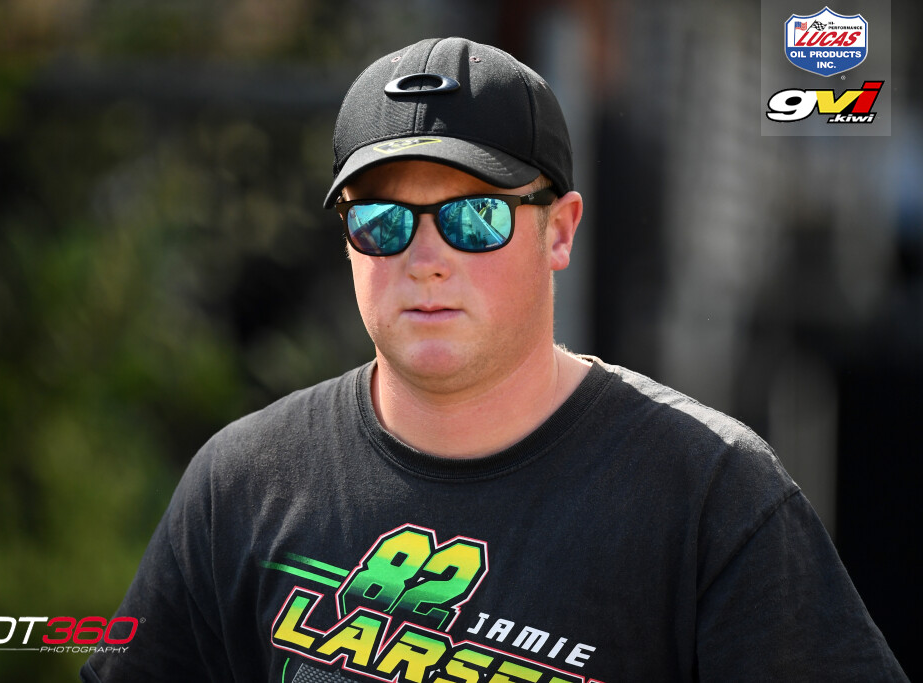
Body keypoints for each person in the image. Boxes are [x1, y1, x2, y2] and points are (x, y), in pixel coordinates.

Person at [80, 37, 906, 682]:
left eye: (474, 217)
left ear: (560, 230)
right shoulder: (242, 483)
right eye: (382, 220)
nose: (426, 259)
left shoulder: (711, 497)